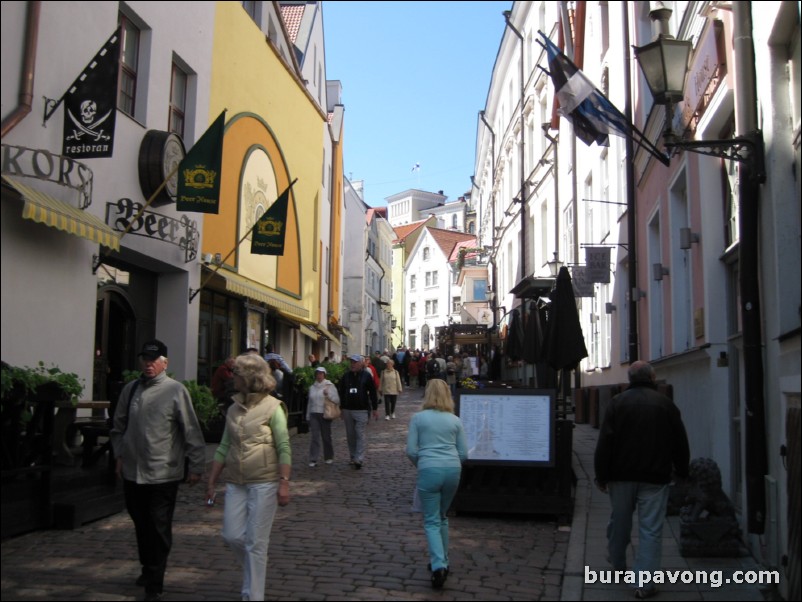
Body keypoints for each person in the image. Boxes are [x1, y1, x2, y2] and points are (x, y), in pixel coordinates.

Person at [110, 339, 206, 602]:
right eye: (145, 359)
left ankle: (155, 581)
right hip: (132, 471)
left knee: (158, 526)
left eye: (154, 360)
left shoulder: (175, 390)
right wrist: (119, 453)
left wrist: (196, 465)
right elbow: (118, 427)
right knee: (140, 523)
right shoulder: (130, 390)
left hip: (163, 472)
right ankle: (147, 568)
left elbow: (191, 430)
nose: (148, 364)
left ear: (165, 363)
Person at [594, 361, 690, 600]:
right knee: (651, 529)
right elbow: (680, 440)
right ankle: (644, 583)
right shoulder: (666, 404)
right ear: (653, 377)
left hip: (621, 474)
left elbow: (605, 442)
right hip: (655, 476)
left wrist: (601, 474)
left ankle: (617, 563)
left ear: (630, 378)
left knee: (620, 520)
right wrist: (682, 470)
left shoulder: (617, 403)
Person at [205, 353, 292, 602]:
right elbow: (224, 446)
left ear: (249, 378)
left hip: (265, 481)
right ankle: (256, 567)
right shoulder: (233, 408)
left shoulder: (273, 408)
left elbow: (284, 446)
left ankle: (253, 595)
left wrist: (284, 483)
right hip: (236, 480)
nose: (232, 378)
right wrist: (212, 481)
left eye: (237, 374)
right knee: (231, 535)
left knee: (256, 542)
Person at [405, 379, 468, 590]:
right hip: (452, 470)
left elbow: (411, 451)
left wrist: (422, 464)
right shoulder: (455, 420)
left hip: (429, 469)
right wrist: (451, 463)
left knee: (431, 520)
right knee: (442, 516)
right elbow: (463, 453)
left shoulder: (418, 419)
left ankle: (438, 565)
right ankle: (444, 559)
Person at [338, 354, 378, 469]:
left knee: (359, 433)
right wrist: (341, 408)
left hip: (361, 410)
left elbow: (373, 392)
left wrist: (374, 408)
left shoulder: (366, 376)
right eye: (351, 362)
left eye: (355, 362)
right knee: (350, 435)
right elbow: (341, 392)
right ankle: (352, 456)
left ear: (361, 363)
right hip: (348, 410)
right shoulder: (346, 376)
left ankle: (359, 458)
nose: (353, 364)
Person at [306, 366, 339, 466]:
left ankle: (328, 456)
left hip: (324, 413)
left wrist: (328, 394)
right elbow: (309, 403)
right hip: (314, 414)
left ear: (324, 375)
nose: (319, 376)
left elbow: (337, 400)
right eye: (317, 374)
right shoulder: (312, 387)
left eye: (321, 374)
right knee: (315, 437)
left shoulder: (329, 386)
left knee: (326, 437)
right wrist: (308, 415)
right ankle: (313, 458)